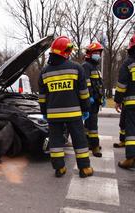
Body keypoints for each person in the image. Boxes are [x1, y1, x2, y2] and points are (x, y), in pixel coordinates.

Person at [38, 36, 93, 178]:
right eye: (68, 50)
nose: (69, 53)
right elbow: (83, 93)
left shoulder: (44, 72)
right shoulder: (77, 68)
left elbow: (42, 97)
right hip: (74, 114)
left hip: (53, 115)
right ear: (64, 51)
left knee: (55, 142)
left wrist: (44, 112)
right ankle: (85, 168)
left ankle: (59, 168)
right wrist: (86, 109)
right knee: (79, 140)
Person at [114, 34, 135, 169]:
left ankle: (131, 158)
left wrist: (118, 100)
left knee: (131, 131)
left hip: (132, 104)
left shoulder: (128, 63)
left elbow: (122, 84)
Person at [82, 42, 105, 157]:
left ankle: (88, 143)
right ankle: (95, 147)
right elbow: (86, 84)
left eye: (99, 53)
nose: (98, 55)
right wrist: (89, 97)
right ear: (90, 54)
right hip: (90, 101)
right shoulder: (86, 66)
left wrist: (103, 97)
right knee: (93, 125)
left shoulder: (95, 67)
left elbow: (99, 84)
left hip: (95, 101)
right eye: (96, 53)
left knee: (88, 125)